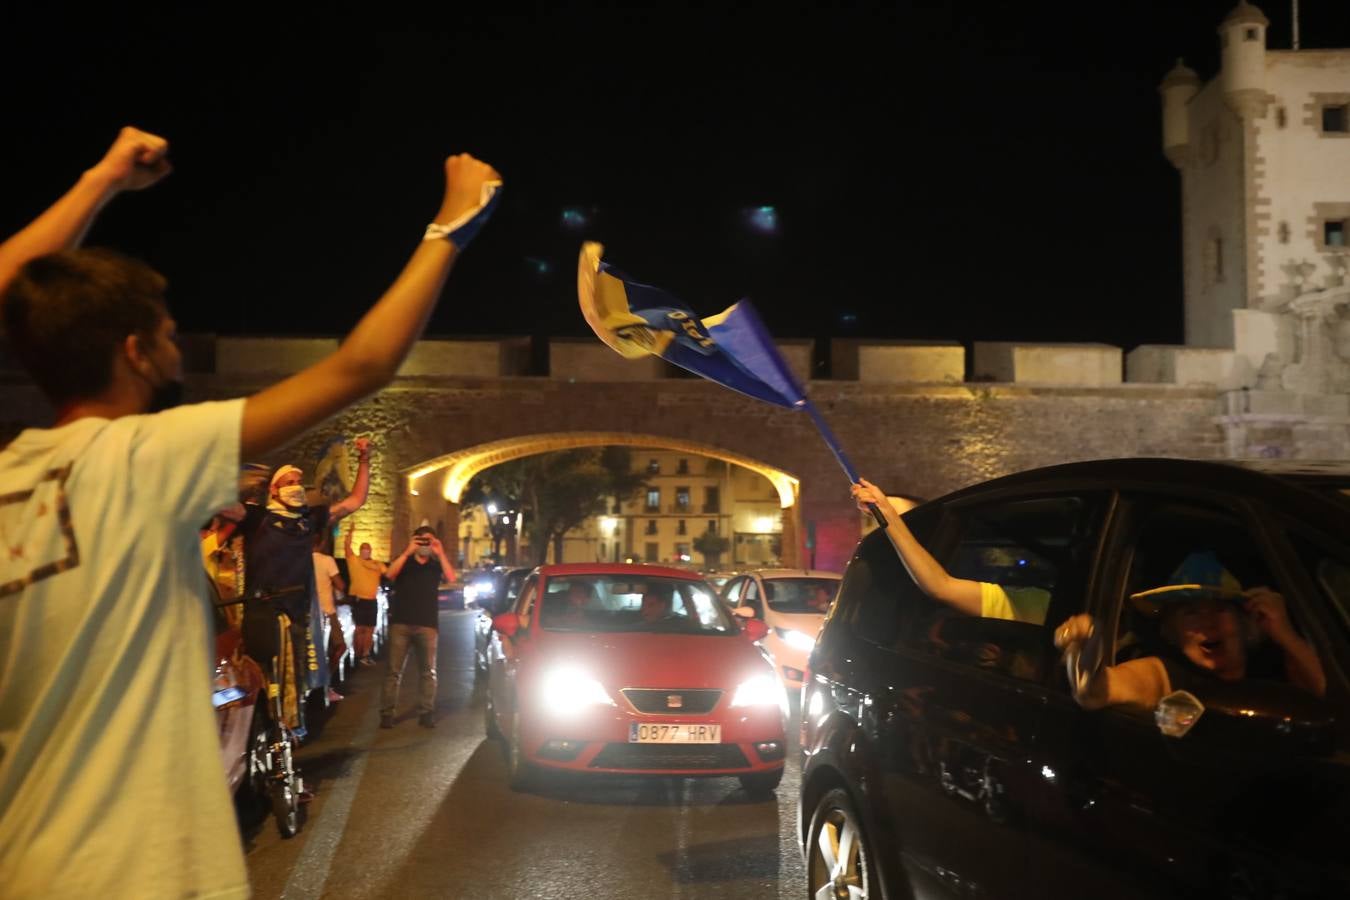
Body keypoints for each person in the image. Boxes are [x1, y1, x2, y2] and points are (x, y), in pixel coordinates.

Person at [0, 125, 500, 899]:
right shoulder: (142, 457)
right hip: (144, 871)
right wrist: (453, 228)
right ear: (134, 353)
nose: (177, 351)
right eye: (169, 337)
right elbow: (363, 364)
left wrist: (100, 179)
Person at [1055, 550, 1326, 711]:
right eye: (1190, 612)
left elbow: (1336, 705)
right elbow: (1096, 692)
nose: (1207, 623)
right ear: (1173, 632)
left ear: (1245, 624)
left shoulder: (1276, 665)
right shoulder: (1169, 675)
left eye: (1220, 608)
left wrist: (1287, 636)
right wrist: (1084, 650)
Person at [239, 445, 369, 734]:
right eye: (289, 483)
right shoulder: (258, 519)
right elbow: (218, 508)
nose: (296, 487)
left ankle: (284, 753)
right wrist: (241, 482)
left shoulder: (309, 521)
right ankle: (262, 743)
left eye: (299, 482)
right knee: (263, 689)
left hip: (297, 617)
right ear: (274, 491)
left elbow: (355, 501)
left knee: (293, 688)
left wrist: (364, 459)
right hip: (264, 618)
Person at [852, 478, 1049, 624]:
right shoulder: (1034, 602)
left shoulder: (1041, 605)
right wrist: (885, 512)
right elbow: (941, 586)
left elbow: (941, 586)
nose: (868, 539)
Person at [381, 525, 456, 728]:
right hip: (401, 623)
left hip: (427, 625)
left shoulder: (434, 564)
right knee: (393, 672)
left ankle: (426, 712)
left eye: (428, 541)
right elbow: (389, 574)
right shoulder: (404, 562)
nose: (425, 545)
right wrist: (407, 551)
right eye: (421, 540)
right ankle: (387, 714)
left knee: (428, 672)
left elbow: (452, 578)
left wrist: (440, 553)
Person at [345, 523, 386, 666]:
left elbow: (384, 571)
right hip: (359, 599)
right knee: (360, 628)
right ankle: (357, 654)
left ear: (371, 551)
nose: (365, 552)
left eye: (367, 550)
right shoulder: (354, 561)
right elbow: (347, 547)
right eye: (363, 549)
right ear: (360, 550)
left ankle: (365, 654)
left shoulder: (377, 563)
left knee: (369, 629)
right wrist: (350, 532)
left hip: (372, 600)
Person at [312, 532, 347, 703]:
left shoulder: (302, 561)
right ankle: (326, 684)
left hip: (308, 614)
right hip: (327, 611)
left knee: (312, 655)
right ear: (322, 541)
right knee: (340, 647)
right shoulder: (327, 561)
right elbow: (340, 584)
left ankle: (317, 687)